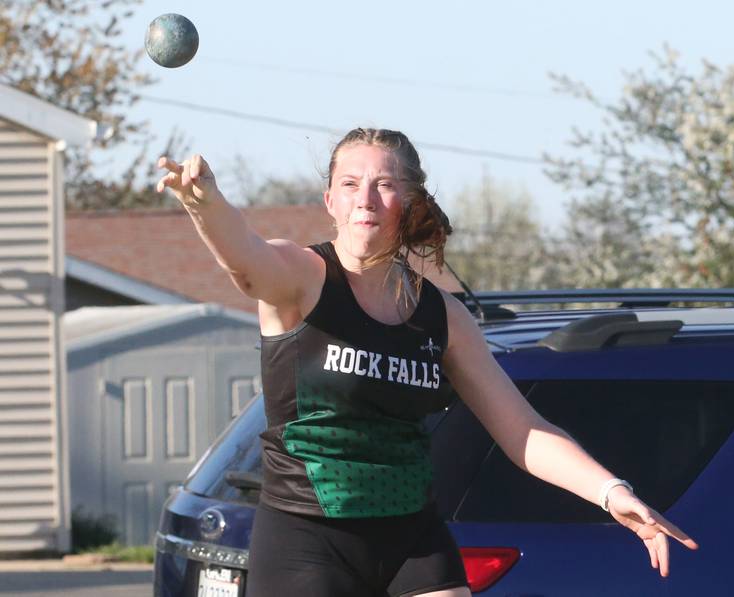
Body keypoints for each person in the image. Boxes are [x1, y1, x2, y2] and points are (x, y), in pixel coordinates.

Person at [156, 127, 698, 597]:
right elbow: (246, 262)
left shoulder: (444, 317)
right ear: (330, 201)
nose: (365, 198)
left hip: (409, 533)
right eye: (350, 184)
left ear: (411, 203)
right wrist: (204, 203)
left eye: (384, 184)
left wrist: (612, 493)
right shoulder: (300, 277)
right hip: (306, 536)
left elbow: (523, 429)